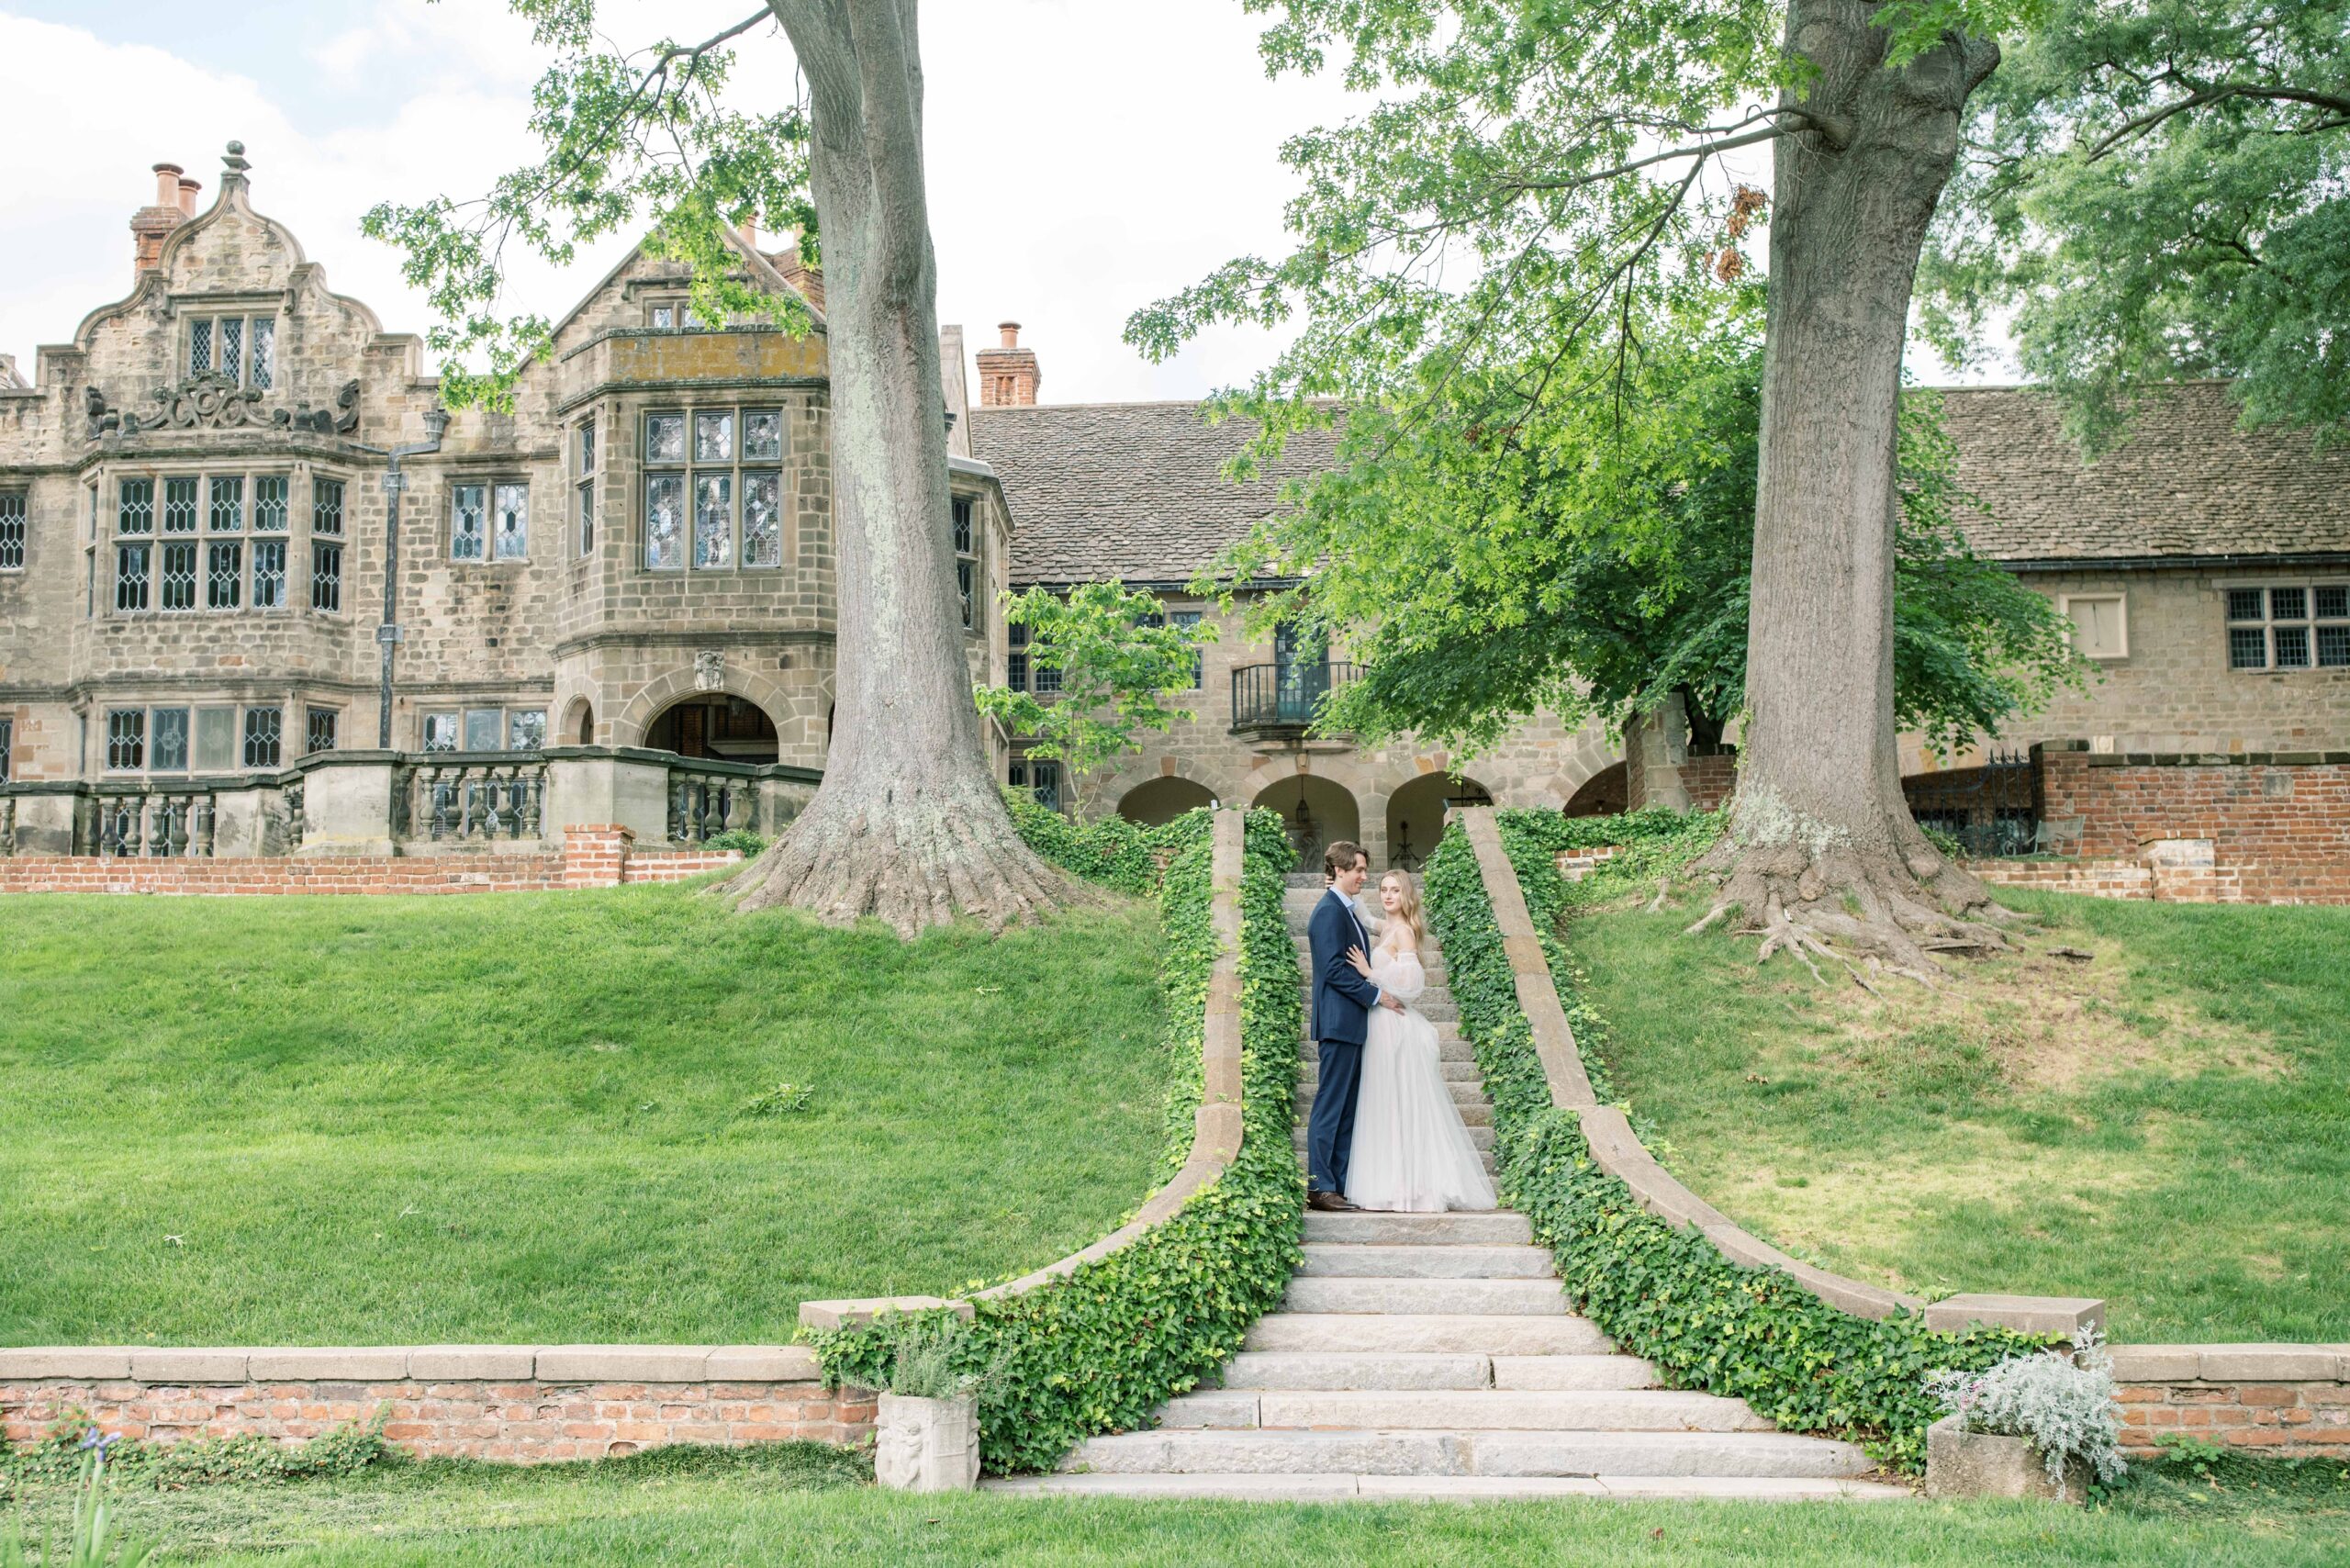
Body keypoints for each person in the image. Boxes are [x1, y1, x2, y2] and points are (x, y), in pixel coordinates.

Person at [1343, 870, 1497, 1213]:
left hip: (1396, 1027)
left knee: (1400, 1103)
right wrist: (1343, 888)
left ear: (1406, 895)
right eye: (1383, 889)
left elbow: (1413, 984)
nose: (1387, 895)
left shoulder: (1405, 933)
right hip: (1380, 1024)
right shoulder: (1387, 929)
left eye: (1395, 890)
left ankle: (1412, 1189)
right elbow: (1367, 917)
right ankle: (1390, 1184)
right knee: (1385, 1101)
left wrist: (1370, 973)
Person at [1303, 841, 1402, 1213]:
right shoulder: (1329, 912)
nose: (1364, 876)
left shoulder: (1349, 911)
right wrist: (1376, 996)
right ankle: (1319, 1187)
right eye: (1358, 869)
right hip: (1338, 1023)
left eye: (1364, 869)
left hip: (1353, 1025)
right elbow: (1332, 970)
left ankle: (1338, 1184)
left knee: (1346, 1109)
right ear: (1339, 871)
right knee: (1330, 1106)